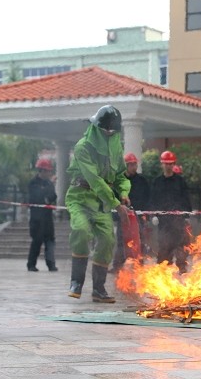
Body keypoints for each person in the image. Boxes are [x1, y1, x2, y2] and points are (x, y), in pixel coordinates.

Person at [66, 105, 130, 303]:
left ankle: (99, 289)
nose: (109, 133)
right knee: (81, 230)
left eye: (113, 131)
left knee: (107, 240)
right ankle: (76, 282)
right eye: (106, 130)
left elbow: (120, 175)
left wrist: (125, 193)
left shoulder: (116, 146)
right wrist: (116, 204)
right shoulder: (83, 147)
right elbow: (95, 180)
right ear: (97, 127)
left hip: (101, 203)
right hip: (81, 197)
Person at [150, 150, 192, 273]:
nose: (168, 166)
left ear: (174, 164)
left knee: (181, 250)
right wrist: (154, 215)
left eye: (170, 164)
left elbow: (186, 199)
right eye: (166, 163)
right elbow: (153, 199)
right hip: (163, 223)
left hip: (178, 222)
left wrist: (186, 215)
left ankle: (182, 271)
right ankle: (163, 275)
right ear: (162, 165)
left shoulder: (180, 181)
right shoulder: (157, 182)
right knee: (163, 250)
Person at [111, 152, 151, 272]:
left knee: (140, 241)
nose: (134, 167)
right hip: (123, 217)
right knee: (121, 242)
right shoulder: (119, 182)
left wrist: (146, 215)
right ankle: (117, 266)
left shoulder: (142, 181)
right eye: (131, 164)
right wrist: (117, 214)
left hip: (138, 217)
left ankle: (139, 264)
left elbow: (148, 197)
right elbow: (114, 199)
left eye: (135, 164)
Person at [26, 158, 58, 272]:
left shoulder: (49, 183)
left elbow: (53, 196)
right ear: (42, 171)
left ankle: (51, 264)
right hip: (36, 218)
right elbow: (35, 197)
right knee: (37, 241)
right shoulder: (33, 183)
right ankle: (31, 264)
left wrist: (48, 199)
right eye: (47, 171)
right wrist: (45, 197)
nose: (49, 173)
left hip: (47, 218)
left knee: (50, 241)